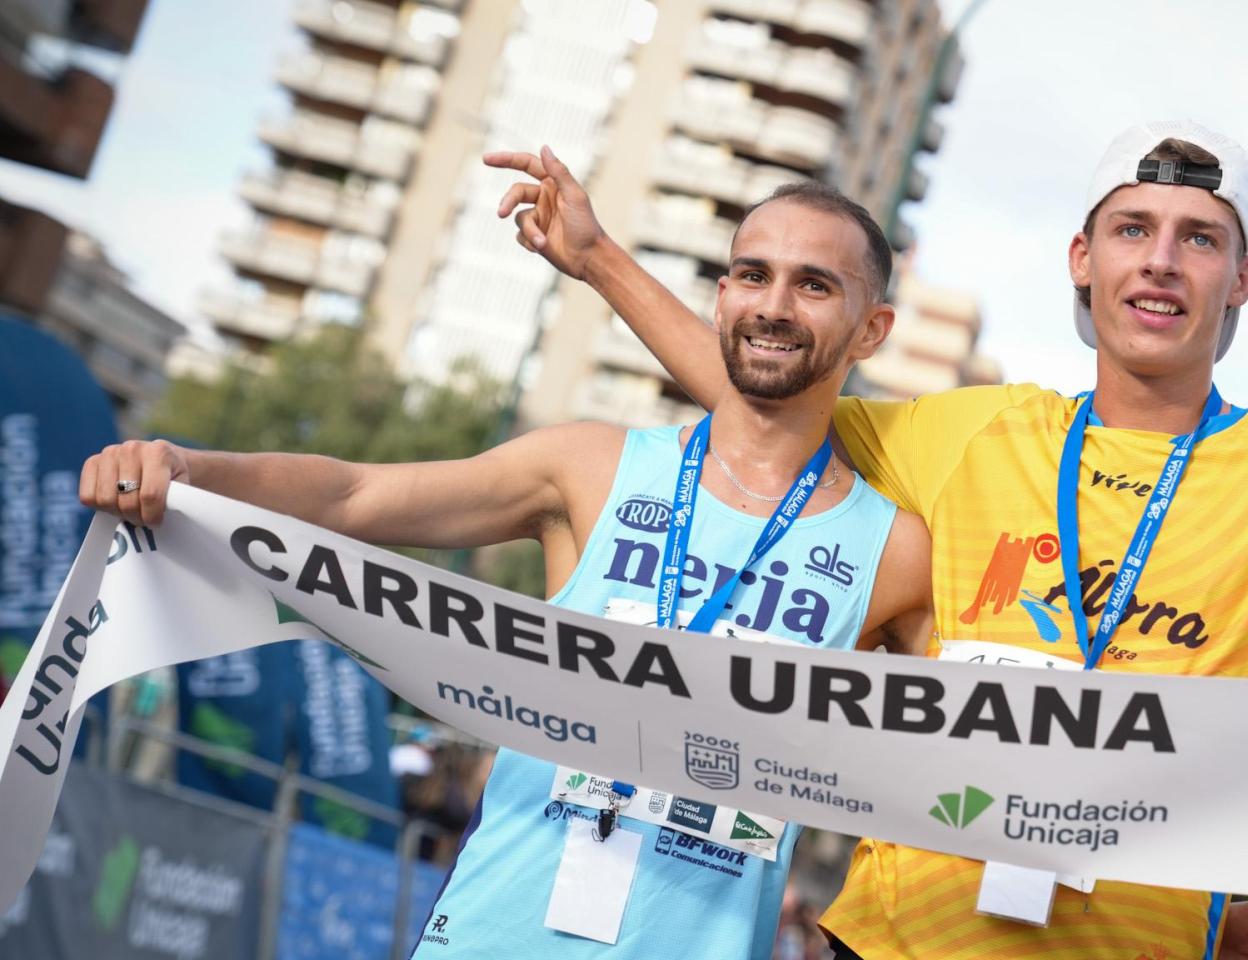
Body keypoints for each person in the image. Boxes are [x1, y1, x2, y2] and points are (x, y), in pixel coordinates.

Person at [485, 118, 1248, 960]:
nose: (1160, 260)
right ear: (1081, 261)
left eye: (1199, 238)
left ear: (1241, 280)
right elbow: (759, 395)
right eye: (1131, 228)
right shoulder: (972, 436)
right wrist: (594, 258)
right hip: (888, 945)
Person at [78, 176, 932, 958]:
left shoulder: (897, 554)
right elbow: (353, 494)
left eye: (814, 285)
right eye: (752, 275)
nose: (773, 305)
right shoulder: (589, 467)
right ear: (721, 296)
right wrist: (188, 469)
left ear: (873, 328)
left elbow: (955, 769)